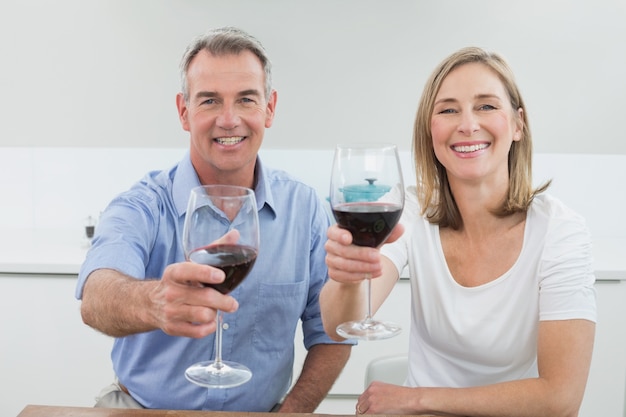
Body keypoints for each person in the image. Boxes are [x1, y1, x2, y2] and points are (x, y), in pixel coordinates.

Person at [75, 26, 352, 412]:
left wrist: (294, 411)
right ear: (183, 111)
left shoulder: (305, 210)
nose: (228, 119)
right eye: (209, 101)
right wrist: (154, 301)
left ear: (269, 109)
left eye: (246, 100)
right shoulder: (141, 204)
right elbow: (95, 296)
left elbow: (330, 334)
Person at [320, 46, 596, 417]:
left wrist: (417, 399)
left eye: (486, 106)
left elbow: (560, 400)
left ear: (518, 124)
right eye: (448, 109)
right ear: (430, 131)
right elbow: (339, 326)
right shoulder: (412, 211)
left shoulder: (560, 232)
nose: (467, 124)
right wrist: (349, 278)